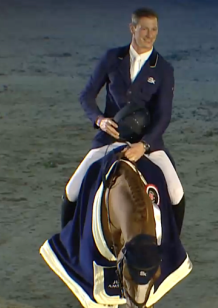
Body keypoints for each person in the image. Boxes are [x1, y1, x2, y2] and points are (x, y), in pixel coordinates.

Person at [60, 7, 186, 234]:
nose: (150, 34)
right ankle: (68, 244)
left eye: (154, 29)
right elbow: (86, 95)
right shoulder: (112, 58)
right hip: (111, 138)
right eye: (144, 29)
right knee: (72, 190)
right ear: (132, 29)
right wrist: (100, 120)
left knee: (176, 193)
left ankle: (174, 248)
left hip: (147, 143)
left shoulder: (164, 69)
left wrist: (144, 145)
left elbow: (164, 114)